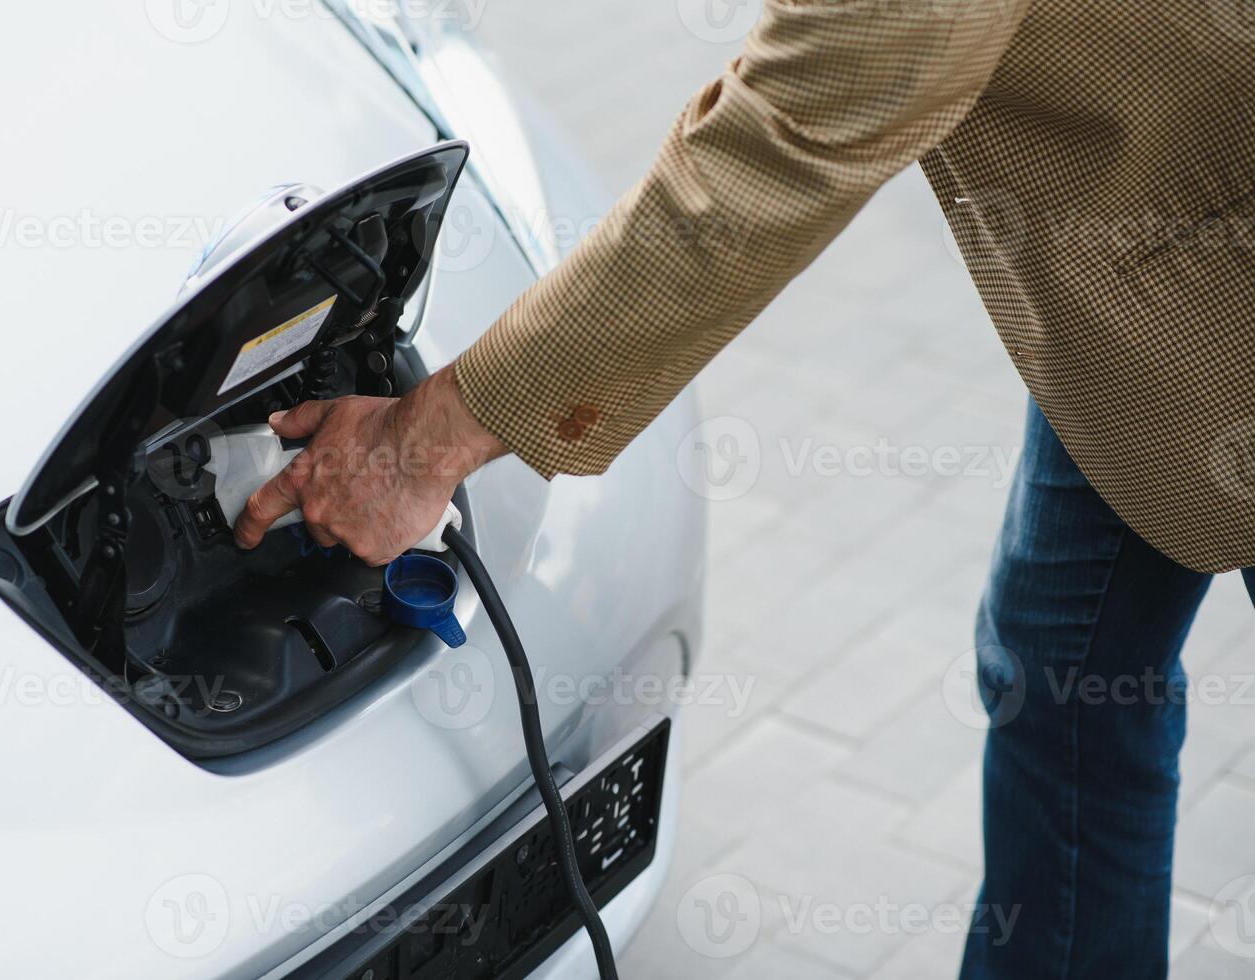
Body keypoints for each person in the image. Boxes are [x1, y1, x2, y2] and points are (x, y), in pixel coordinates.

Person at [233, 3, 1255, 977]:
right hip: (1158, 272)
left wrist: (425, 442)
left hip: (1215, 260)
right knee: (1062, 657)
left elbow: (782, 145)